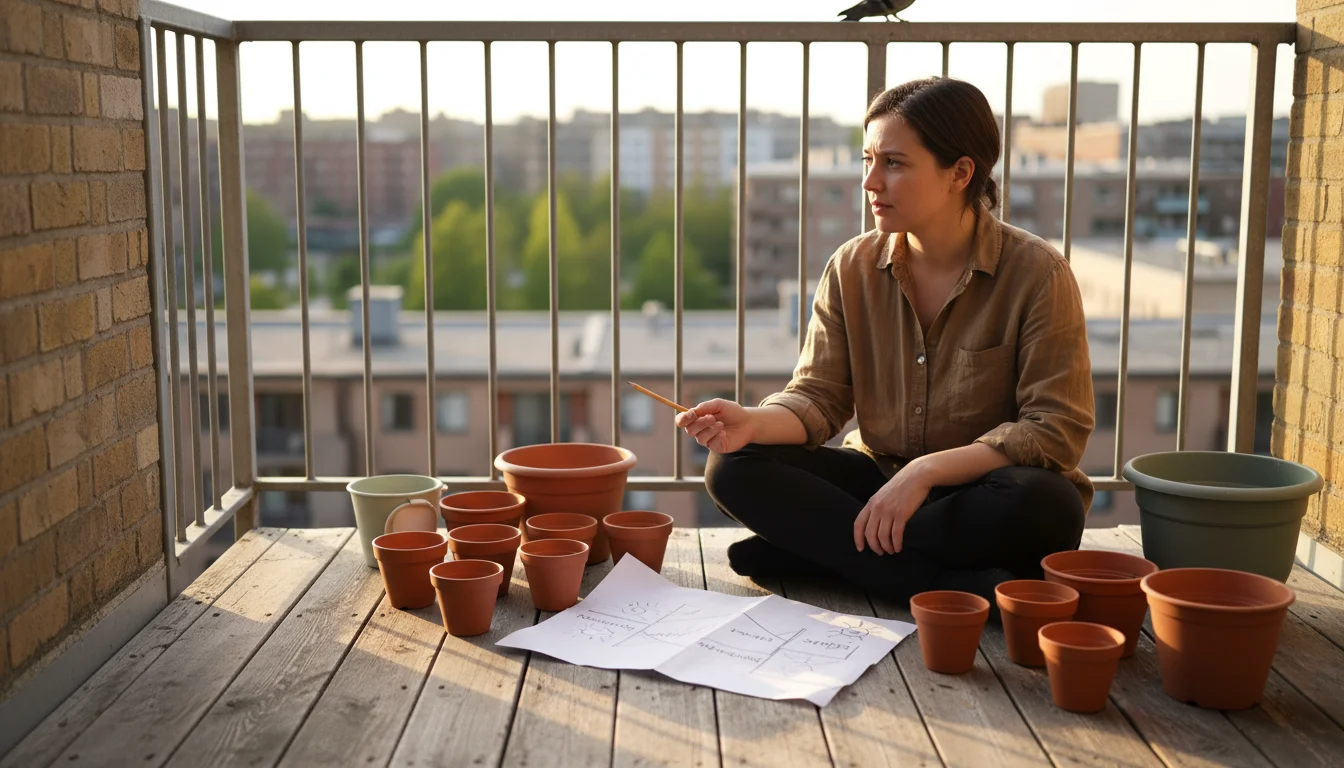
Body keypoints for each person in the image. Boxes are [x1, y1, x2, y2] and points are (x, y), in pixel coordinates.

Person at [677, 77, 1095, 615]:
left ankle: (831, 554)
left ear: (960, 173)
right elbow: (818, 397)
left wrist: (927, 471)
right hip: (877, 482)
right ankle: (937, 584)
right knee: (732, 467)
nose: (870, 182)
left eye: (894, 163)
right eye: (868, 160)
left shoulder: (1038, 274)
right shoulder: (851, 267)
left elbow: (1054, 430)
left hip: (979, 493)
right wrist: (751, 422)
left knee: (1049, 503)